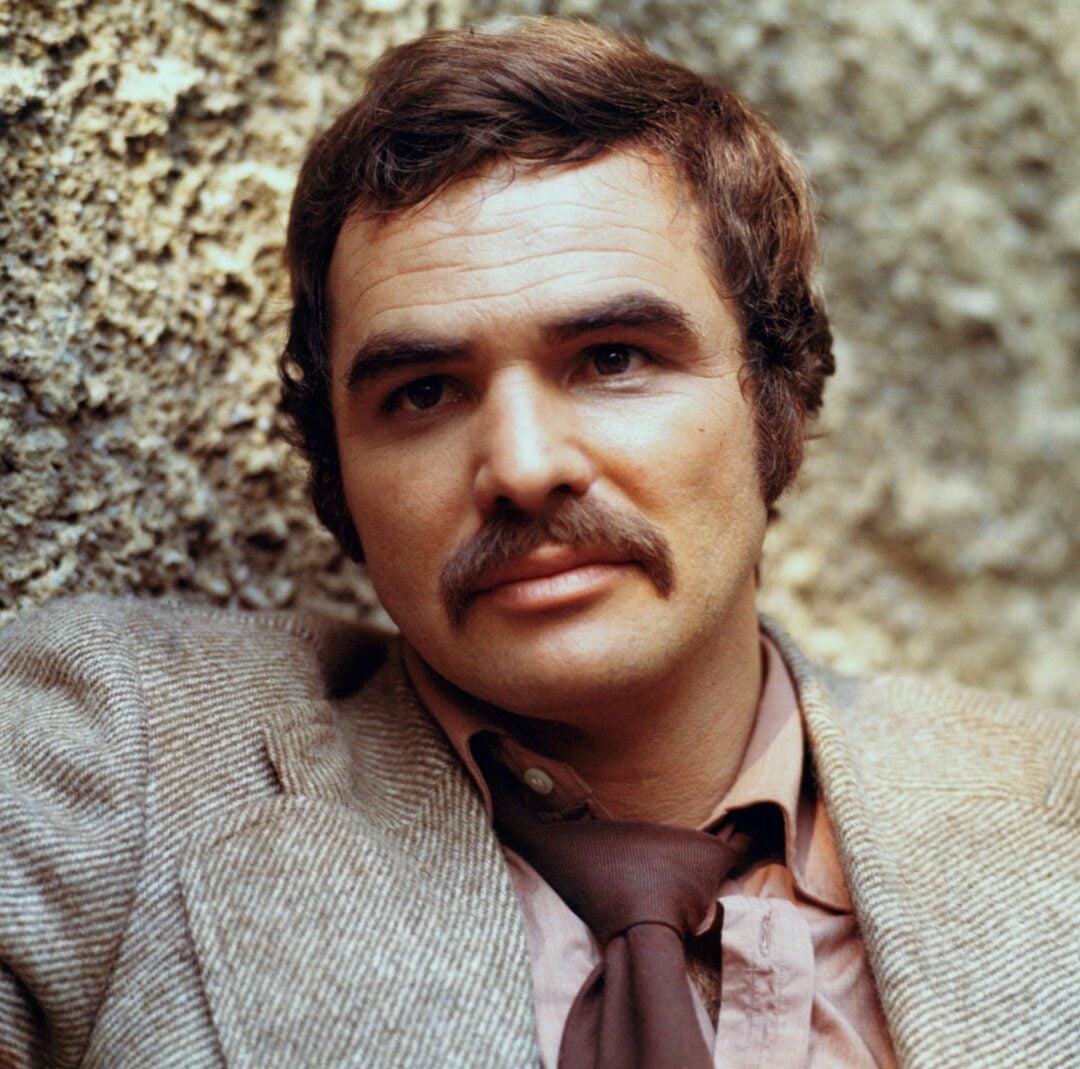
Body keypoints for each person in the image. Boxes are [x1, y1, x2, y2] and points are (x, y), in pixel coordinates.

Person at [0, 17, 1075, 1069]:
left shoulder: (1055, 807)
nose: (521, 466)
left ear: (777, 398)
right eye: (424, 392)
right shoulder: (120, 758)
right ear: (338, 473)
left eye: (612, 358)